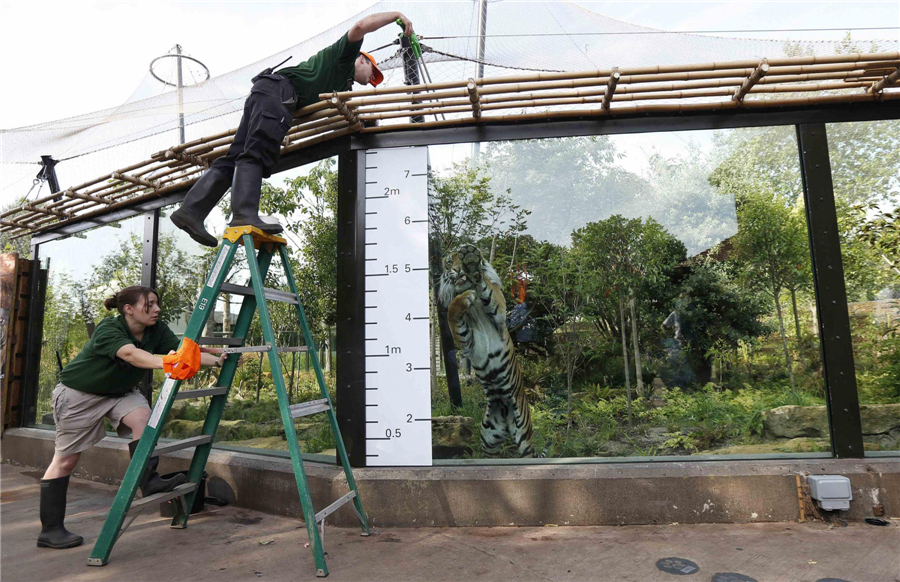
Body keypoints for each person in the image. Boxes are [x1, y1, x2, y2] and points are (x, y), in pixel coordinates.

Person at [171, 11, 415, 247]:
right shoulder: (344, 56)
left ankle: (191, 211)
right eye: (373, 72)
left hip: (265, 91)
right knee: (259, 149)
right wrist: (397, 15)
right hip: (279, 93)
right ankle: (244, 214)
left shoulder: (341, 84)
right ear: (362, 59)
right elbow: (361, 26)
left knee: (235, 156)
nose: (372, 80)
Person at [37, 286, 227, 549]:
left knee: (144, 418)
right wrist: (168, 363)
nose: (158, 309)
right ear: (129, 309)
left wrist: (219, 360)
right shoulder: (109, 329)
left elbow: (184, 351)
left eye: (157, 303)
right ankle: (50, 530)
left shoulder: (156, 330)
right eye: (150, 304)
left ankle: (148, 481)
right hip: (80, 395)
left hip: (120, 393)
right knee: (66, 460)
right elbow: (132, 355)